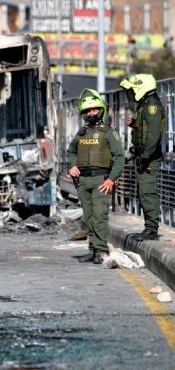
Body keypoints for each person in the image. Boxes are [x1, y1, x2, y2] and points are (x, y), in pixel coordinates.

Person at [67, 89, 125, 263]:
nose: (91, 113)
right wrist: (72, 165)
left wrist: (110, 180)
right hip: (83, 181)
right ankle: (93, 250)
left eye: (94, 109)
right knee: (89, 217)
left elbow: (120, 157)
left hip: (101, 181)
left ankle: (101, 250)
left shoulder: (108, 132)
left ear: (101, 110)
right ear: (83, 113)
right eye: (87, 111)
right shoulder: (81, 133)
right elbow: (71, 152)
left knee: (100, 216)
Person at [121, 74, 165, 241]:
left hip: (149, 157)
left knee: (147, 192)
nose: (131, 94)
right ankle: (149, 227)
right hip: (143, 154)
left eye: (133, 90)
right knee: (143, 192)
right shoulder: (145, 106)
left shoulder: (152, 107)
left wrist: (145, 157)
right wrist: (134, 124)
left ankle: (151, 230)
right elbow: (146, 129)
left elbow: (153, 137)